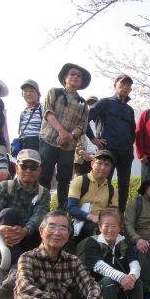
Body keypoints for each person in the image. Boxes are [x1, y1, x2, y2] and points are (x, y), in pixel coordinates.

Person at [81, 208, 144, 299]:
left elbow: (134, 263)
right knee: (108, 281)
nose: (110, 230)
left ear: (120, 227)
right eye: (106, 225)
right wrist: (122, 277)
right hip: (100, 293)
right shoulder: (92, 243)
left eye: (114, 226)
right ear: (99, 226)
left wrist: (131, 277)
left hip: (121, 292)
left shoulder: (125, 243)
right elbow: (98, 266)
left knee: (137, 282)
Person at [38, 63, 91, 209]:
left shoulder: (83, 103)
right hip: (48, 140)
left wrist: (70, 135)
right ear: (65, 77)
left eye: (79, 76)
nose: (75, 77)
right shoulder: (54, 92)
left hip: (69, 146)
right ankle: (41, 208)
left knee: (64, 179)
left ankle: (62, 210)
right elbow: (47, 112)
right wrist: (61, 131)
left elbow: (83, 125)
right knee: (44, 176)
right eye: (72, 74)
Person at [0, 149, 50, 267]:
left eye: (33, 167)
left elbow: (39, 215)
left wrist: (25, 231)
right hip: (5, 236)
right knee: (8, 213)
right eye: (24, 166)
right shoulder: (4, 186)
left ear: (39, 170)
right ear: (16, 168)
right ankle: (14, 264)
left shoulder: (44, 193)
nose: (28, 171)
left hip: (28, 236)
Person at [88, 74, 136, 211]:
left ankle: (119, 215)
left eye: (128, 85)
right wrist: (93, 138)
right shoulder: (105, 102)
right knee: (103, 181)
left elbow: (132, 131)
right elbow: (85, 118)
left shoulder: (129, 110)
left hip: (125, 152)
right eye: (122, 84)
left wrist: (129, 147)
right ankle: (100, 213)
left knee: (124, 185)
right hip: (107, 150)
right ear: (115, 86)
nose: (125, 87)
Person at [67, 150, 116, 241]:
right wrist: (92, 217)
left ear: (111, 168)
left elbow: (114, 212)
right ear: (92, 164)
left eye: (107, 165)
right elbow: (71, 208)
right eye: (99, 163)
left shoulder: (112, 189)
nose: (103, 167)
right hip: (78, 222)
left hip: (101, 224)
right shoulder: (80, 181)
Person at [13, 80, 42, 153]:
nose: (29, 94)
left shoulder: (42, 108)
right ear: (22, 94)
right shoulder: (23, 112)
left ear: (38, 94)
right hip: (24, 148)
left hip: (38, 147)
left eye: (32, 91)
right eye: (26, 91)